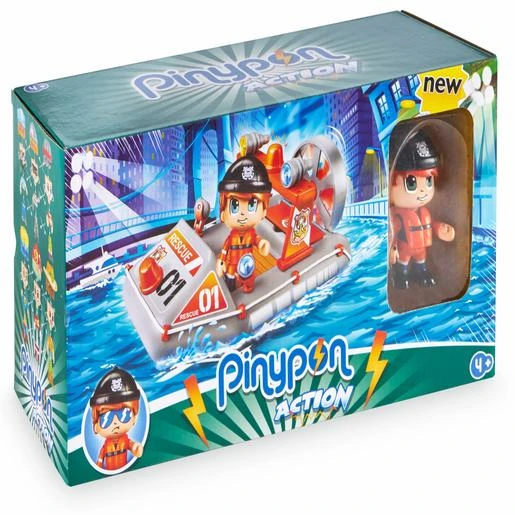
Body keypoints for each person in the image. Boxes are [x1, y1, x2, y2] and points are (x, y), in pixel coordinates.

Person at [389, 131, 455, 289]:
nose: (423, 191)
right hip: (404, 249)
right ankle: (402, 276)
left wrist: (440, 229)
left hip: (421, 250)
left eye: (428, 181)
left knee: (422, 265)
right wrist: (392, 249)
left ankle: (422, 273)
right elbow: (393, 233)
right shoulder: (397, 216)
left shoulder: (424, 212)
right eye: (412, 183)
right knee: (403, 267)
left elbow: (429, 225)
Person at [216, 155, 272, 293]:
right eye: (234, 206)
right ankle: (231, 289)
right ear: (223, 213)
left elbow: (257, 240)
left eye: (252, 205)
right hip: (233, 264)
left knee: (248, 279)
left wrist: (262, 244)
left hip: (247, 263)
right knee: (230, 279)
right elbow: (225, 250)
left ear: (264, 211)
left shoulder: (251, 234)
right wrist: (221, 261)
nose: (242, 214)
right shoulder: (232, 237)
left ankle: (247, 287)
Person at [89, 367, 144, 471]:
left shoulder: (125, 441)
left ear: (134, 417)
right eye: (107, 418)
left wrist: (136, 448)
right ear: (96, 426)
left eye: (124, 415)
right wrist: (99, 467)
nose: (115, 422)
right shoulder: (105, 447)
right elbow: (100, 461)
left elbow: (133, 447)